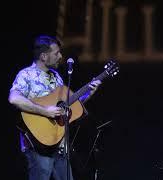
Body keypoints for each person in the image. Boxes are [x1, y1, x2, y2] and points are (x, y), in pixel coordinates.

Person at [8, 35, 102, 180]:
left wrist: (89, 92)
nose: (60, 56)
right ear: (44, 56)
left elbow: (68, 106)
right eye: (56, 53)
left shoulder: (56, 77)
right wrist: (45, 111)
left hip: (59, 144)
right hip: (38, 146)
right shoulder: (26, 75)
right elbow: (14, 99)